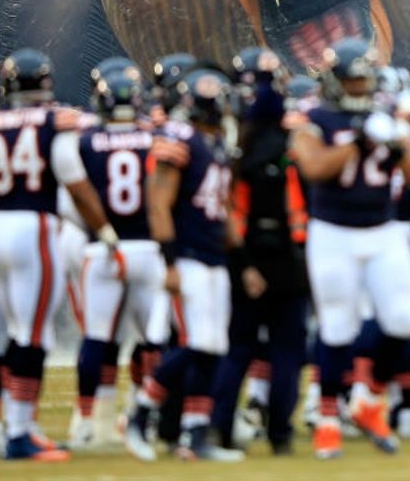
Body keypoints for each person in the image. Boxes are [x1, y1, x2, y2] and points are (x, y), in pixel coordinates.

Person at [0, 49, 114, 461]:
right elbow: (76, 184)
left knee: (2, 339)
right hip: (35, 230)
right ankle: (20, 432)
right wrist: (106, 232)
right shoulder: (51, 122)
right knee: (33, 336)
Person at [289, 37, 410, 460]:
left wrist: (397, 144)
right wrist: (357, 143)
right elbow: (314, 168)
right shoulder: (313, 115)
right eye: (351, 81)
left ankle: (368, 400)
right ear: (334, 81)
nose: (359, 88)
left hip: (383, 230)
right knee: (336, 328)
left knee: (402, 321)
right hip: (333, 232)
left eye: (364, 81)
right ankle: (328, 421)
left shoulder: (387, 112)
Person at [125, 68, 262, 462]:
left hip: (214, 257)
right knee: (196, 344)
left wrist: (244, 264)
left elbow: (223, 210)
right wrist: (169, 262)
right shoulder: (179, 138)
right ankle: (141, 412)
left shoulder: (215, 143)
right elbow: (158, 204)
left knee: (213, 347)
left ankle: (195, 434)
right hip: (186, 257)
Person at [208, 48, 309, 456]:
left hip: (247, 258)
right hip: (288, 259)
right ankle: (280, 433)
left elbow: (229, 214)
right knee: (286, 352)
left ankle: (221, 427)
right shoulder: (294, 148)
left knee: (238, 348)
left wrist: (243, 265)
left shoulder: (234, 151)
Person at [70, 71, 168, 448]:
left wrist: (99, 230)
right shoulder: (155, 137)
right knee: (154, 338)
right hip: (148, 247)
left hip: (103, 248)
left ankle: (86, 421)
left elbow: (74, 198)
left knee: (97, 336)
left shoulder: (86, 141)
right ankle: (149, 413)